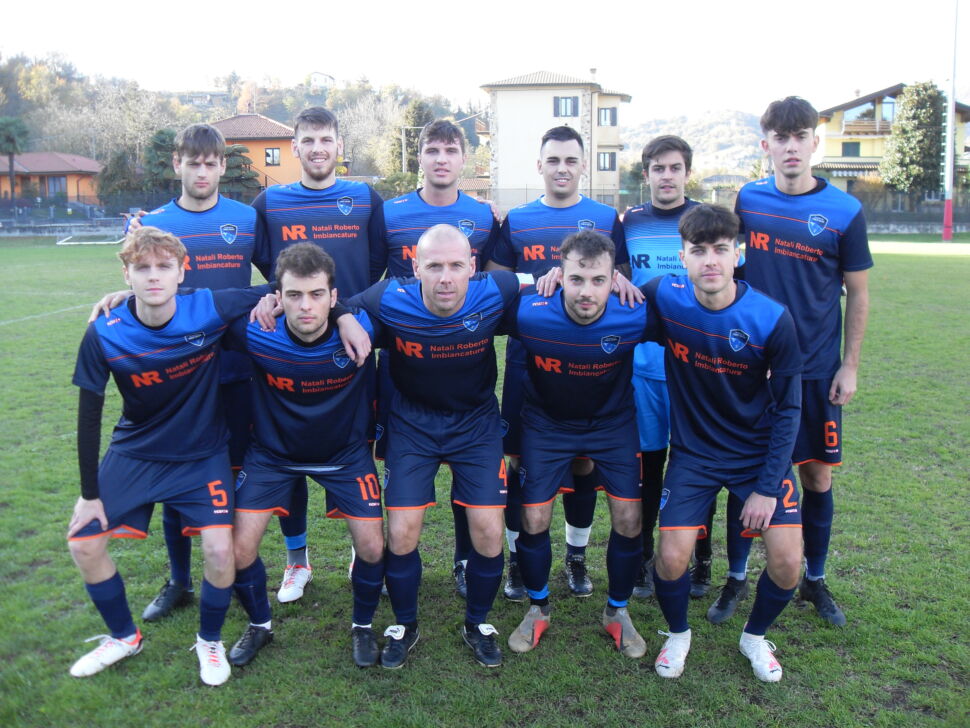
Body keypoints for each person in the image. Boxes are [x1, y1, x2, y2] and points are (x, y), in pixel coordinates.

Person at [67, 227, 271, 686]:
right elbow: (88, 418)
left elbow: (286, 288)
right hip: (137, 451)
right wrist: (88, 495)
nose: (153, 276)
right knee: (83, 541)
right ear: (127, 274)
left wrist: (339, 314)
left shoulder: (208, 308)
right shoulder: (104, 333)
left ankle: (209, 640)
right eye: (142, 269)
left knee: (221, 550)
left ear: (183, 272)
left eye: (164, 267)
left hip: (202, 454)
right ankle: (123, 635)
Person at [722, 96, 872, 627]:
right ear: (766, 145)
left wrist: (849, 365)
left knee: (815, 478)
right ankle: (736, 578)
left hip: (813, 371)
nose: (790, 146)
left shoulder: (845, 212)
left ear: (815, 142)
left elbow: (857, 291)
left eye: (800, 135)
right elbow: (721, 259)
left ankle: (815, 579)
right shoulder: (749, 200)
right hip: (752, 369)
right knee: (744, 473)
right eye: (780, 138)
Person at [349, 224, 520, 668]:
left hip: (476, 425)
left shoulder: (495, 290)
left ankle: (477, 622)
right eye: (435, 266)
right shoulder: (390, 297)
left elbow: (541, 282)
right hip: (412, 426)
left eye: (456, 266)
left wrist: (584, 276)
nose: (446, 277)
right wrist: (345, 317)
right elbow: (344, 306)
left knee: (487, 529)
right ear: (415, 267)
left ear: (473, 268)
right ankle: (406, 623)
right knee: (402, 532)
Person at [646, 204, 803, 682]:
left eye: (720, 249)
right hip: (694, 455)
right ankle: (678, 635)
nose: (709, 260)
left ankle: (754, 637)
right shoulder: (665, 297)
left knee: (787, 562)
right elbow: (612, 289)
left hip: (758, 456)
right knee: (671, 557)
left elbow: (790, 409)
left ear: (738, 254)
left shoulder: (772, 319)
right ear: (683, 258)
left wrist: (766, 485)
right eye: (699, 251)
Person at [485, 125, 631, 600]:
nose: (562, 169)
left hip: (591, 367)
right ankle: (514, 558)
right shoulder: (519, 220)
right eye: (554, 160)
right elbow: (497, 286)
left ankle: (576, 555)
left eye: (571, 160)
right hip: (529, 367)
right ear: (540, 166)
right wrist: (539, 279)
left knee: (585, 464)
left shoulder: (607, 218)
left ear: (583, 165)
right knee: (515, 461)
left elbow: (619, 283)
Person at [226, 243, 386, 669]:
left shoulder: (364, 325)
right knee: (238, 550)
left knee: (372, 547)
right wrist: (127, 297)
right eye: (293, 295)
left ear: (335, 298)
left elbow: (415, 290)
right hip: (272, 456)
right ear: (277, 297)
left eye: (317, 294)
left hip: (345, 456)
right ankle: (259, 625)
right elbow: (191, 304)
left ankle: (363, 626)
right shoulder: (255, 329)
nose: (305, 305)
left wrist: (347, 316)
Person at [251, 107, 387, 605]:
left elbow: (376, 269)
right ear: (294, 148)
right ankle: (296, 560)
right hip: (291, 346)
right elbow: (272, 272)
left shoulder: (364, 198)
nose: (317, 149)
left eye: (325, 139)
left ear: (338, 145)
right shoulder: (271, 202)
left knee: (356, 447)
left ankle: (361, 549)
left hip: (351, 347)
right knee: (290, 447)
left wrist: (346, 311)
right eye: (307, 140)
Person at [130, 123, 260, 624]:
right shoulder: (154, 223)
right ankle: (179, 580)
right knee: (174, 477)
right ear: (177, 165)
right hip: (177, 375)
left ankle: (256, 567)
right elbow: (140, 286)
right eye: (193, 162)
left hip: (238, 368)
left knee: (250, 471)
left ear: (223, 166)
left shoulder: (248, 218)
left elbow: (281, 276)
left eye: (211, 163)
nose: (202, 171)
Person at [503, 230, 648, 658]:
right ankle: (538, 608)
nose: (587, 292)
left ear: (614, 278)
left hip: (612, 424)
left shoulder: (636, 311)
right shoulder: (530, 310)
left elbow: (698, 315)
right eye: (577, 279)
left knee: (628, 518)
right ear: (559, 275)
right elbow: (466, 307)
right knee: (532, 518)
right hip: (547, 424)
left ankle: (617, 613)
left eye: (599, 280)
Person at [377, 119, 501, 597]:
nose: (442, 159)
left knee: (472, 488)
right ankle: (374, 561)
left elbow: (494, 282)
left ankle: (464, 559)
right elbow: (373, 277)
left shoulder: (484, 216)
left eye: (451, 150)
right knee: (402, 486)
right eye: (433, 150)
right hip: (404, 356)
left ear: (464, 158)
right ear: (420, 156)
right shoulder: (388, 213)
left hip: (465, 361)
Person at [622, 135, 720, 601]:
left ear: (687, 172)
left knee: (697, 465)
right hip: (643, 367)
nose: (666, 176)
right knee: (648, 468)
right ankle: (642, 558)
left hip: (695, 366)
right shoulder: (631, 222)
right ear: (646, 175)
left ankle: (701, 561)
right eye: (658, 168)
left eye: (675, 168)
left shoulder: (703, 221)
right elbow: (617, 278)